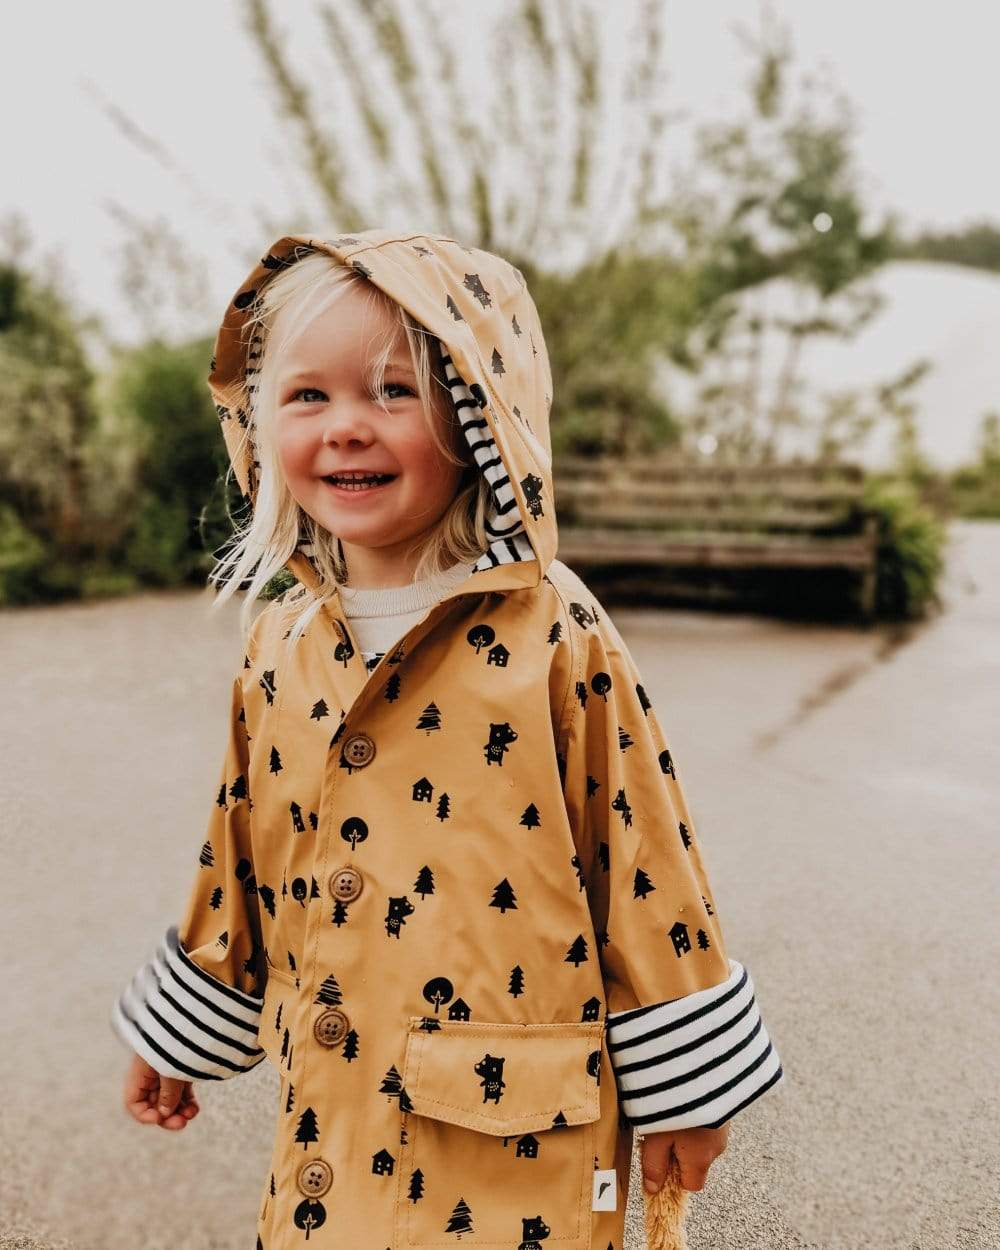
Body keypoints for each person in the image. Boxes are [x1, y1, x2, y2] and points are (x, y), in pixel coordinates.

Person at [110, 229, 785, 1250]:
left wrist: (694, 1090)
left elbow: (645, 857)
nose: (346, 427)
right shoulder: (280, 642)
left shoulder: (552, 633)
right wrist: (182, 1027)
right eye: (307, 395)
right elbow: (238, 844)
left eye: (393, 391)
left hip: (521, 1148)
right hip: (331, 1134)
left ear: (479, 413)